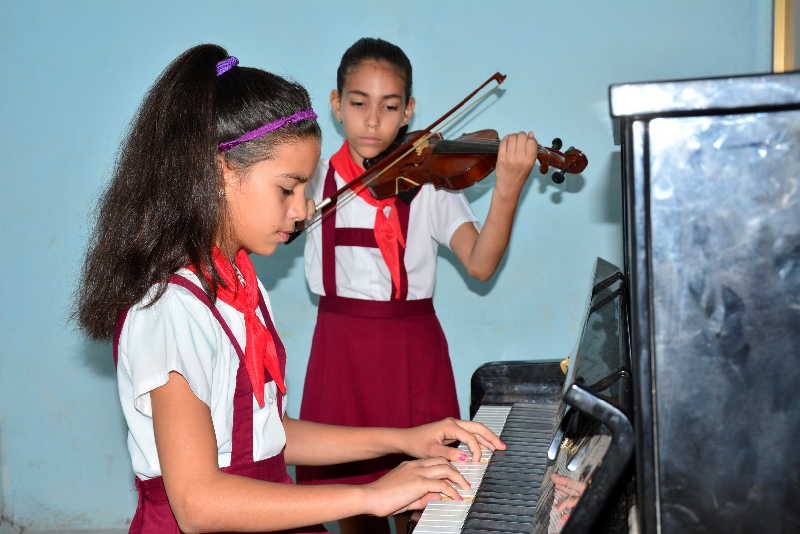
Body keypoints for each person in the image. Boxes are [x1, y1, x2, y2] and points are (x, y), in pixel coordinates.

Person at [75, 43, 505, 534]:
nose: (303, 210)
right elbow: (199, 505)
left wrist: (406, 440)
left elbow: (265, 436)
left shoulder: (239, 283)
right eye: (288, 187)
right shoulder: (170, 309)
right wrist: (372, 493)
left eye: (305, 189)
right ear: (219, 175)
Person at [298, 37, 538, 533]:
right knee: (352, 502)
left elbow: (479, 263)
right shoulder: (312, 180)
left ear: (408, 111)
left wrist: (508, 188)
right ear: (336, 104)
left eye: (389, 107)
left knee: (428, 500)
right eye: (359, 103)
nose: (372, 121)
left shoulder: (427, 182)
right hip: (340, 352)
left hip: (412, 352)